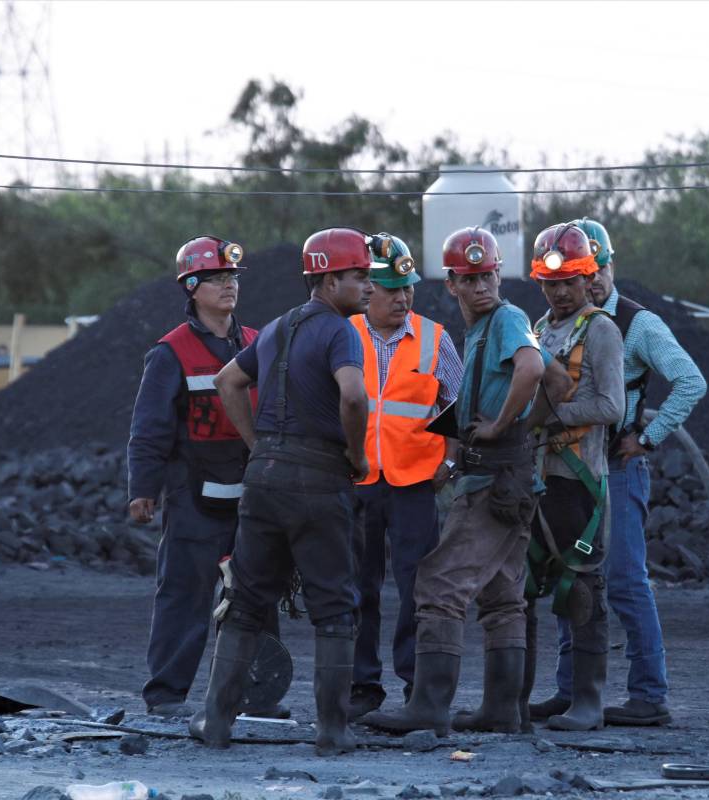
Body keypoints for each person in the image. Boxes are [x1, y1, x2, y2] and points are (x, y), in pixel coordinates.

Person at [360, 226, 569, 736]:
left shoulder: (505, 319)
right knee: (502, 594)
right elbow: (559, 380)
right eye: (470, 279)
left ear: (499, 275)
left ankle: (428, 708)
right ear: (451, 284)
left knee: (438, 582)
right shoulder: (484, 331)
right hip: (506, 476)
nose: (482, 287)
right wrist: (524, 430)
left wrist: (502, 427)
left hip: (494, 478)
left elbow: (533, 370)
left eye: (488, 276)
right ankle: (502, 710)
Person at [192, 227, 375, 756]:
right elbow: (354, 397)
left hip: (264, 480)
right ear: (329, 280)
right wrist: (358, 455)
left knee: (245, 601)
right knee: (334, 606)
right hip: (319, 479)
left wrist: (259, 446)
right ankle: (333, 731)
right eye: (359, 276)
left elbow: (227, 381)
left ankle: (215, 723)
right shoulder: (341, 332)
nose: (369, 286)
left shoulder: (275, 327)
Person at [530, 218, 707, 727]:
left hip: (617, 468)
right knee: (571, 576)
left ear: (606, 267)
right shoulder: (551, 324)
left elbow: (691, 381)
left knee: (626, 581)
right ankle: (569, 691)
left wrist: (648, 438)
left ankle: (650, 695)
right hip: (567, 470)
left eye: (598, 269)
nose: (593, 280)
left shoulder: (635, 324)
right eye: (581, 272)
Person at [127, 235, 255, 718]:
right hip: (192, 496)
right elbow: (149, 428)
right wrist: (144, 489)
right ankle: (166, 695)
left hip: (251, 493)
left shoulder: (257, 343)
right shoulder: (170, 352)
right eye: (217, 278)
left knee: (253, 598)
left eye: (232, 278)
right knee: (184, 594)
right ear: (192, 287)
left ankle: (254, 696)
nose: (228, 286)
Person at [346, 234, 464, 720]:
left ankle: (418, 684)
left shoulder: (435, 339)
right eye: (392, 289)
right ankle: (361, 685)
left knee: (419, 585)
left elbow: (458, 406)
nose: (403, 297)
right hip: (356, 482)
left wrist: (449, 463)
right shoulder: (344, 333)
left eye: (408, 287)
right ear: (366, 289)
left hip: (415, 482)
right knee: (358, 586)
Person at [520, 222, 624, 732]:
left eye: (568, 282)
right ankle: (520, 697)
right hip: (539, 479)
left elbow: (611, 405)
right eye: (550, 283)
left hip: (579, 482)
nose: (559, 292)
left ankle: (588, 702)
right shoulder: (540, 329)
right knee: (524, 588)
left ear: (587, 278)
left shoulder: (601, 330)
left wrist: (549, 418)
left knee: (582, 586)